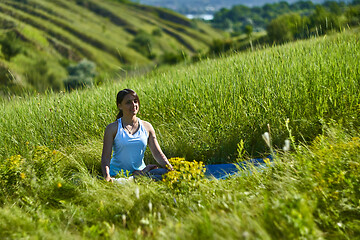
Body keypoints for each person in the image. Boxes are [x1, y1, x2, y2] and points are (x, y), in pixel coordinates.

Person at [101, 89, 173, 182]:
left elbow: (158, 153)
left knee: (166, 174)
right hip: (119, 176)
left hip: (141, 173)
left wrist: (171, 168)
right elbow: (105, 158)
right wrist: (107, 177)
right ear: (120, 106)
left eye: (135, 101)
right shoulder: (112, 128)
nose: (134, 105)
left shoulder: (147, 126)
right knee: (158, 179)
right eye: (128, 102)